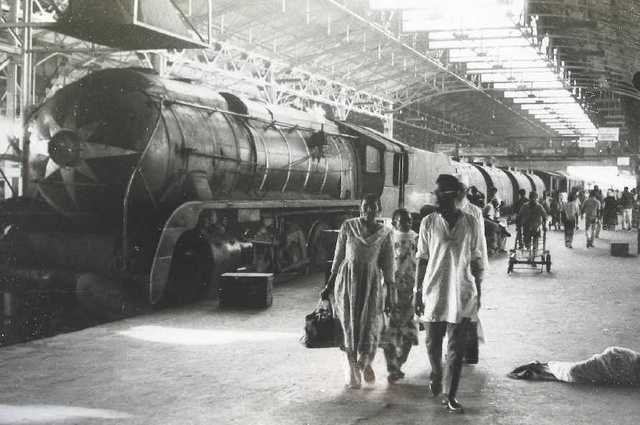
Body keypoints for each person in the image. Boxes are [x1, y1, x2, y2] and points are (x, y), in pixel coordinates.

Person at [413, 174, 484, 413]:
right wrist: (417, 291)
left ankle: (449, 394)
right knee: (433, 343)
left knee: (456, 347)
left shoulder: (471, 222)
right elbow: (421, 259)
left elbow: (476, 260)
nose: (436, 197)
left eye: (440, 193)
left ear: (454, 195)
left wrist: (479, 292)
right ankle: (436, 372)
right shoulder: (429, 223)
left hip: (463, 291)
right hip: (434, 290)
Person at [320, 193, 395, 390]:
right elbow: (337, 258)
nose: (368, 210)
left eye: (373, 207)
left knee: (369, 324)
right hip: (347, 282)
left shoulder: (386, 233)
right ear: (360, 208)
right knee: (348, 325)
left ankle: (364, 362)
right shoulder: (348, 226)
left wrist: (391, 294)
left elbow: (388, 266)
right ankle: (354, 368)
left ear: (379, 210)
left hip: (371, 284)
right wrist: (328, 285)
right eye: (365, 206)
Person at [381, 208, 419, 383]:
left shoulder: (416, 238)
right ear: (395, 222)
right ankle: (392, 367)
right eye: (402, 221)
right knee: (389, 331)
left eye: (409, 221)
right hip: (391, 291)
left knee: (409, 332)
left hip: (410, 291)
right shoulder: (387, 239)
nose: (407, 224)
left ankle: (399, 363)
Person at [507, 347, 640, 386]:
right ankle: (542, 366)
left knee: (578, 375)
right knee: (573, 373)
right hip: (617, 360)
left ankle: (540, 368)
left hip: (623, 368)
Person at [517, 191, 547, 262]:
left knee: (535, 242)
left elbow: (544, 216)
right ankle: (529, 254)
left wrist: (544, 225)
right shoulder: (525, 206)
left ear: (536, 198)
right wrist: (518, 225)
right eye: (531, 198)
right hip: (526, 227)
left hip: (536, 227)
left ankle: (532, 256)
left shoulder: (539, 206)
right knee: (527, 242)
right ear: (529, 198)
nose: (533, 199)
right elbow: (519, 215)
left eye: (534, 198)